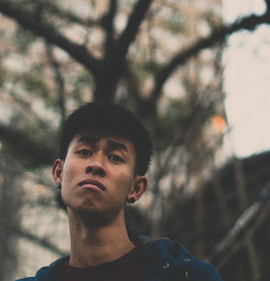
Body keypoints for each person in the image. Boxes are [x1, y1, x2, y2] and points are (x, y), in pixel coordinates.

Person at [17, 102, 223, 281]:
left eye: (115, 157)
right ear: (58, 173)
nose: (96, 164)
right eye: (85, 152)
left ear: (136, 188)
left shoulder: (192, 277)